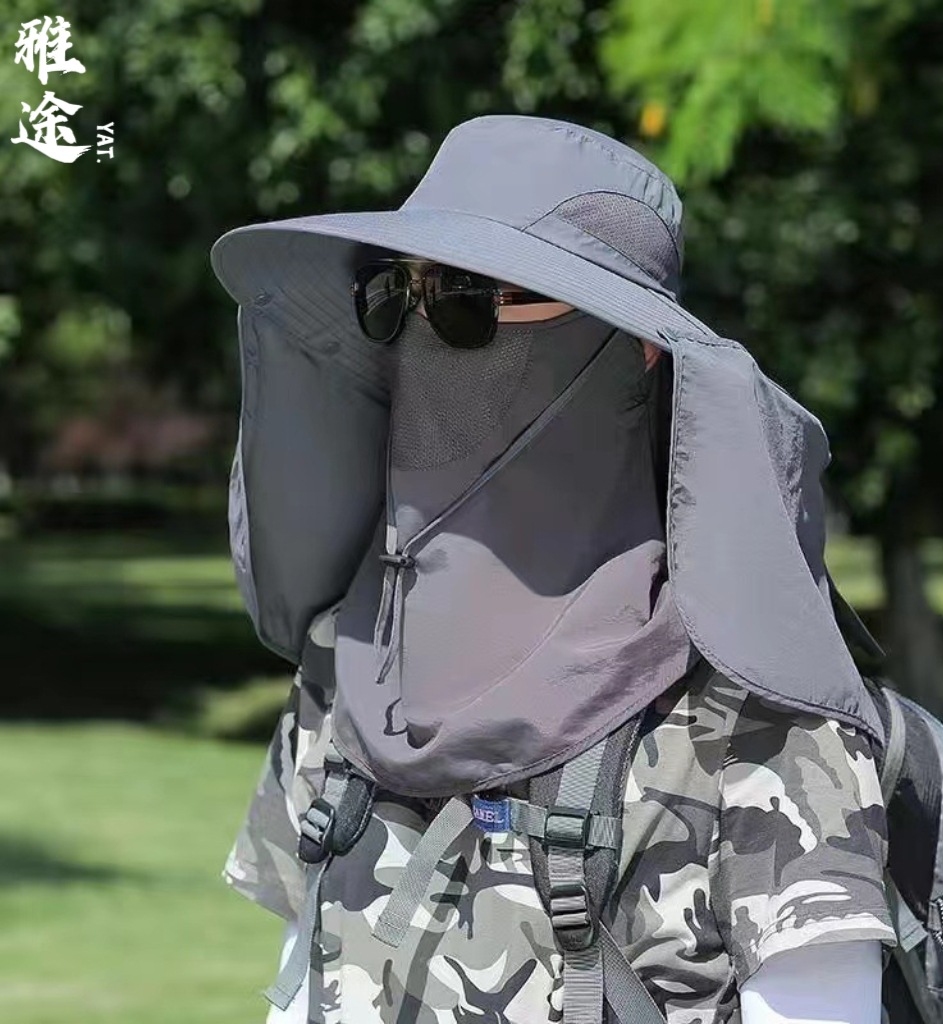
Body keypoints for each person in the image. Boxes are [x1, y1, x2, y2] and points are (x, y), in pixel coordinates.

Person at [210, 115, 897, 1024]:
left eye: (463, 297)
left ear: (632, 350)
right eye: (394, 294)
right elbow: (304, 986)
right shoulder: (348, 662)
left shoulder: (763, 728)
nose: (417, 335)